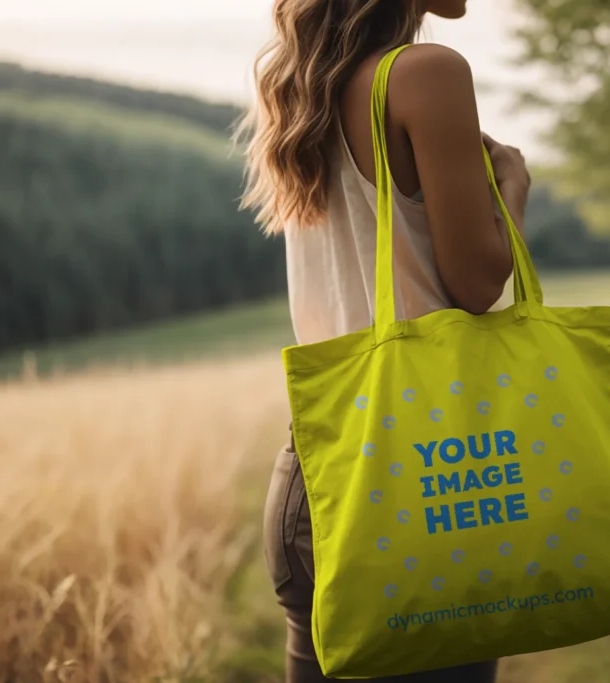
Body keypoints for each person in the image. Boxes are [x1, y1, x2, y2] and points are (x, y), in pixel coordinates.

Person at [237, 1, 532, 681]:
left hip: (316, 478)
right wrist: (510, 191)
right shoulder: (427, 74)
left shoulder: (299, 85)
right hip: (430, 474)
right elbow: (479, 282)